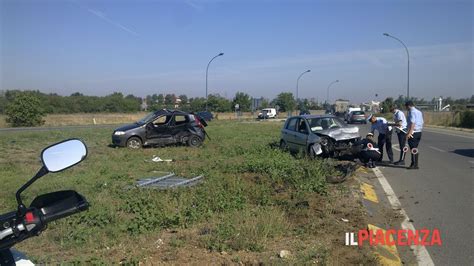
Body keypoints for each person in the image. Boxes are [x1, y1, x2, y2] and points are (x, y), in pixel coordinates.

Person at [405, 101, 424, 169]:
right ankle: (415, 164)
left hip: (414, 132)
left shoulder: (412, 112)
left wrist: (409, 133)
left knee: (412, 149)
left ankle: (414, 164)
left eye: (406, 107)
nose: (406, 108)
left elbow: (413, 123)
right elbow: (421, 122)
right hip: (419, 132)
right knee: (415, 148)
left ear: (409, 106)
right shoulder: (419, 112)